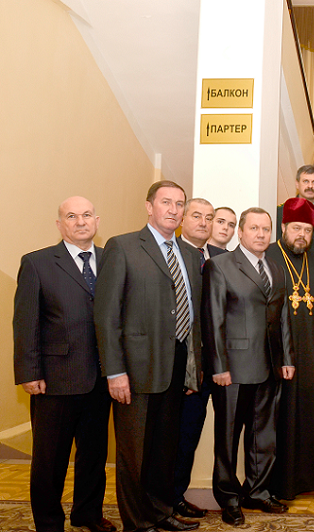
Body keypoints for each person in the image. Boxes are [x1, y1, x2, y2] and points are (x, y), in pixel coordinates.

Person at [94, 180, 203, 532]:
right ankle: (137, 523)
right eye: (166, 202)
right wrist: (114, 372)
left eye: (179, 204)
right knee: (135, 454)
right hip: (135, 370)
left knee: (164, 451)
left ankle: (160, 512)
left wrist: (192, 370)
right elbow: (107, 315)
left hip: (176, 368)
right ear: (149, 206)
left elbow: (193, 316)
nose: (173, 209)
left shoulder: (190, 255)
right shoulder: (123, 246)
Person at [13, 196, 115, 532]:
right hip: (54, 380)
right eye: (71, 216)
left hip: (101, 378)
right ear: (60, 224)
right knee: (50, 460)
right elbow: (25, 322)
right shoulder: (37, 262)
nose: (80, 221)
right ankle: (49, 522)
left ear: (97, 221)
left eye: (86, 215)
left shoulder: (112, 260)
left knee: (94, 456)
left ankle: (87, 514)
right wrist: (29, 373)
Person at [202, 208, 293, 525]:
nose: (261, 234)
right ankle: (229, 498)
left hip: (269, 366)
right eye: (254, 228)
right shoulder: (220, 266)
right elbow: (213, 320)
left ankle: (258, 491)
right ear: (240, 232)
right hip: (233, 370)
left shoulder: (276, 268)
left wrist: (287, 358)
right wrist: (219, 366)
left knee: (263, 436)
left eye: (266, 229)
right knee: (227, 438)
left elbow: (282, 317)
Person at [265, 198, 314, 500]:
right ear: (283, 228)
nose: (301, 235)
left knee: (308, 414)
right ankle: (277, 484)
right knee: (279, 419)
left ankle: (308, 479)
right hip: (277, 354)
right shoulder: (269, 256)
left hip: (310, 351)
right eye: (296, 228)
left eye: (307, 229)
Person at [172, 198, 226, 519]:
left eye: (209, 217)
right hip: (179, 364)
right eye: (196, 216)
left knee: (191, 433)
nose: (204, 222)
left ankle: (177, 495)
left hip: (212, 363)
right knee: (173, 437)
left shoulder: (219, 257)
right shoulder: (171, 253)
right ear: (182, 219)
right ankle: (163, 499)